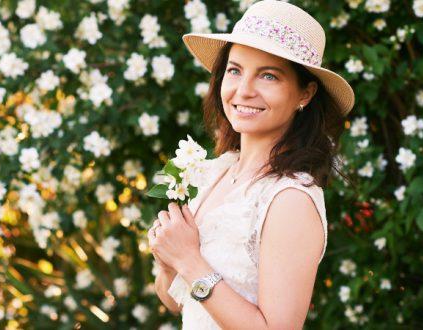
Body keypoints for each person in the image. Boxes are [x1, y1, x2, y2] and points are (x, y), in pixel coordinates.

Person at [147, 1, 355, 329]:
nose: (244, 90)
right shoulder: (215, 173)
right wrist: (167, 262)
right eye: (235, 70)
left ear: (306, 93)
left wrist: (189, 260)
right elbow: (176, 302)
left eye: (268, 75)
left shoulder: (289, 199)